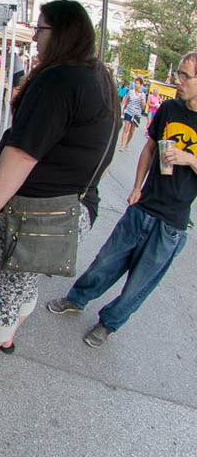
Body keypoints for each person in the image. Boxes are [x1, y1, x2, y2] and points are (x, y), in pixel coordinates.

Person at [0, 0, 119, 387]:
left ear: (60, 33)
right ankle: (8, 336)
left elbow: (22, 153)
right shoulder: (97, 76)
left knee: (10, 287)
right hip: (73, 209)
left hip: (38, 212)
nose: (35, 37)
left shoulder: (61, 79)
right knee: (26, 282)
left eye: (40, 29)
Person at [46, 52, 197, 346]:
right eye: (178, 74)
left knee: (139, 284)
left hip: (172, 224)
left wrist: (188, 158)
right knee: (107, 260)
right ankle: (77, 299)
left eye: (184, 76)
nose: (177, 81)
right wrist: (137, 186)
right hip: (144, 206)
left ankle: (109, 324)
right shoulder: (168, 109)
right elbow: (150, 148)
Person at [120, 77, 145, 151]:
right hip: (129, 111)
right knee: (126, 128)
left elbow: (143, 107)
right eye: (135, 83)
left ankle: (127, 144)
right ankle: (122, 145)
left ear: (140, 85)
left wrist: (142, 100)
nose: (136, 85)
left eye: (137, 83)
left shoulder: (143, 95)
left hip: (136, 114)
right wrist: (124, 109)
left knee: (131, 131)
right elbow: (127, 101)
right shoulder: (130, 92)